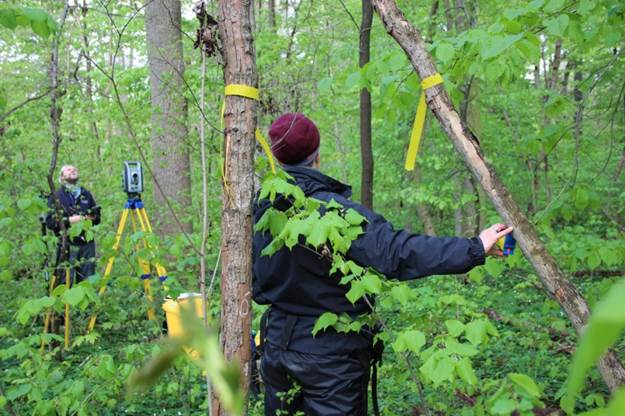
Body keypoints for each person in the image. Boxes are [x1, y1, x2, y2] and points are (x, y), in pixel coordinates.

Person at [252, 113, 513, 416]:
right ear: (317, 155)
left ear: (275, 154)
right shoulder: (334, 213)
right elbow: (397, 252)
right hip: (331, 362)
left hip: (277, 352)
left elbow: (257, 283)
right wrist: (475, 248)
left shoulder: (261, 211)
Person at [45, 165, 100, 285]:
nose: (73, 170)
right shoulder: (56, 196)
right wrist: (69, 220)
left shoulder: (86, 194)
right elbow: (50, 222)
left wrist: (87, 218)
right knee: (64, 281)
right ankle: (64, 304)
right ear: (62, 176)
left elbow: (97, 218)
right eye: (68, 170)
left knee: (87, 282)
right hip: (66, 244)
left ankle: (87, 304)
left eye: (75, 169)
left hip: (87, 245)